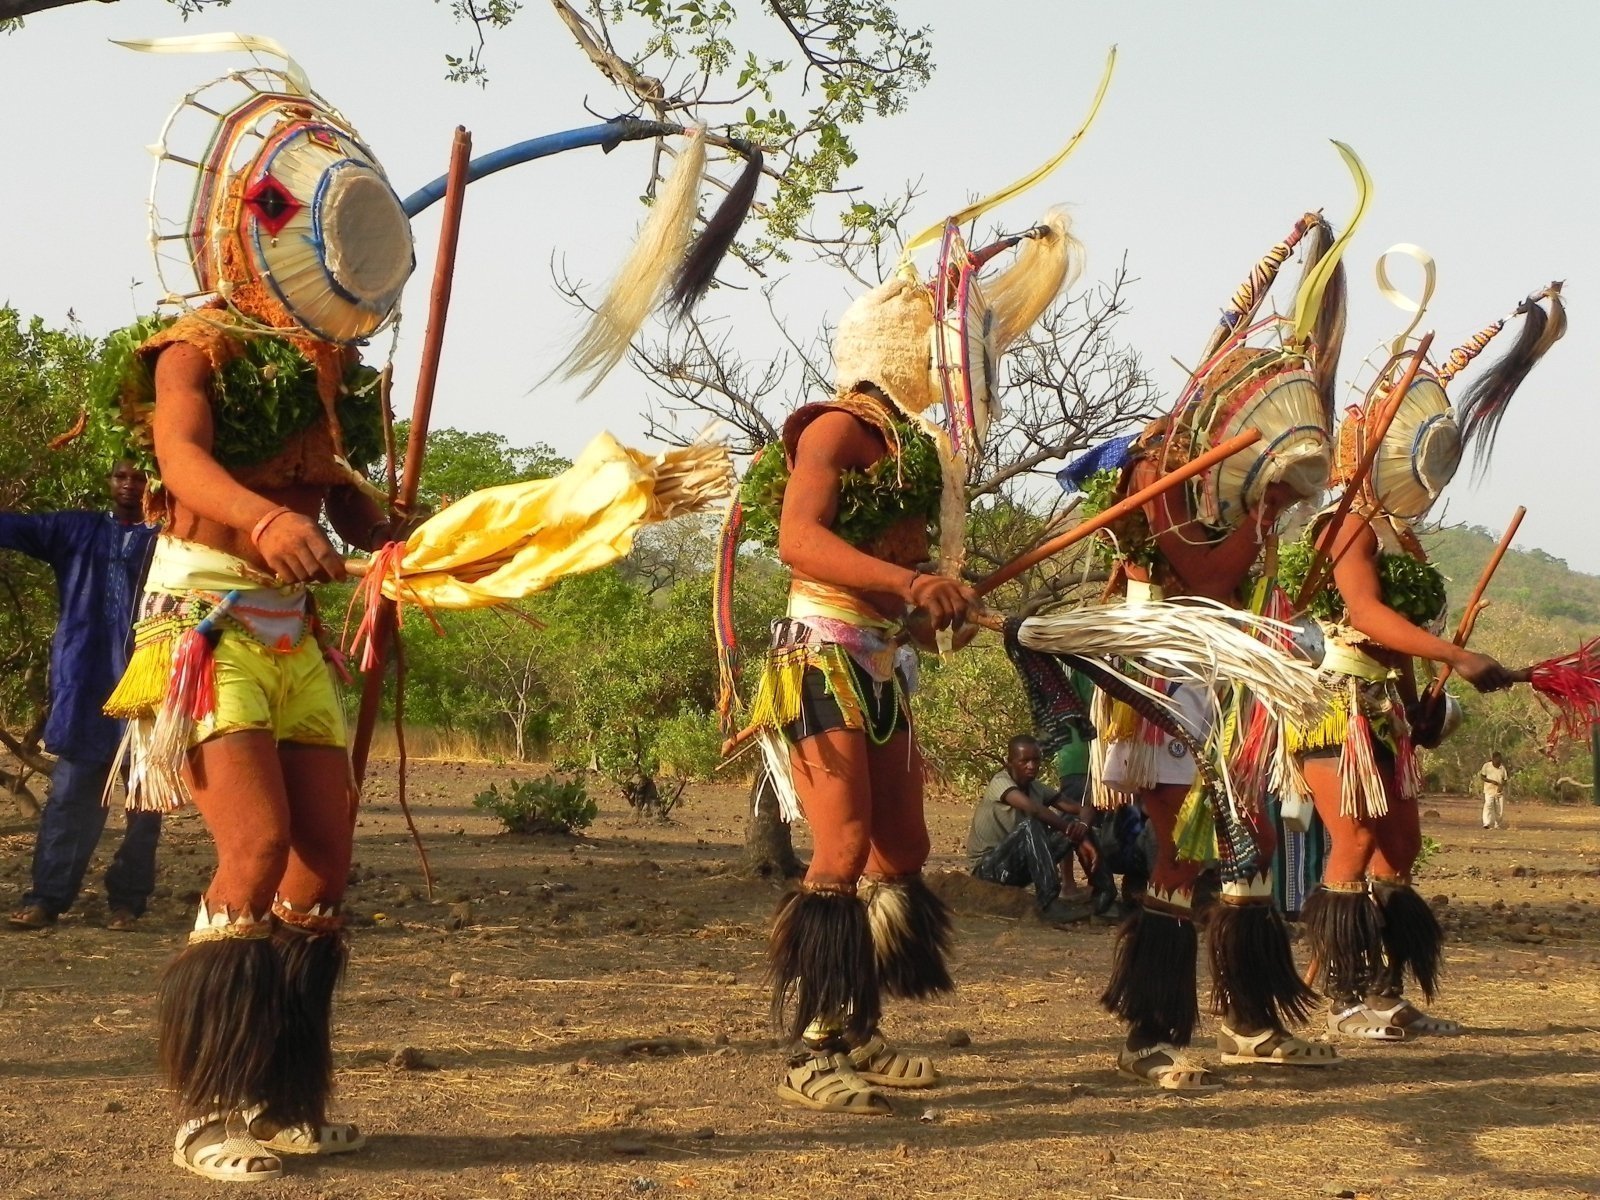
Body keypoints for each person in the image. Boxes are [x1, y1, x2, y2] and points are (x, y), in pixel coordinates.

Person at [720, 194, 1080, 1113]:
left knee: (901, 847)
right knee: (839, 844)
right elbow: (802, 542)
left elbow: (902, 586)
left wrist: (934, 608)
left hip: (878, 664)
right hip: (821, 659)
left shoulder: (918, 456)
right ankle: (809, 1048)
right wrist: (912, 588)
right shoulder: (836, 430)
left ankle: (859, 1032)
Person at [1078, 209, 1354, 1090]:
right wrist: (1264, 514)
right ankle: (1151, 1034)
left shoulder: (1212, 466)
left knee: (1250, 845)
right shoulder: (1157, 465)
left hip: (1216, 676)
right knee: (1185, 852)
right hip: (1160, 674)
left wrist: (1264, 511)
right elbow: (1200, 578)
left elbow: (1232, 586)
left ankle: (1247, 1019)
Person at [1290, 283, 1563, 1043]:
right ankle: (1348, 1002)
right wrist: (1459, 653)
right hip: (1332, 703)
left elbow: (1398, 637)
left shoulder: (1397, 536)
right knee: (1351, 841)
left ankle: (1387, 991)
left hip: (1380, 709)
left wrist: (1420, 705)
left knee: (1400, 846)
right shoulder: (1342, 527)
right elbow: (1370, 618)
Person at [3, 462, 159, 930]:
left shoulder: (168, 540)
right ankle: (47, 899)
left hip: (148, 688)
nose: (130, 485)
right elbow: (16, 526)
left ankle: (127, 903)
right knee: (70, 798)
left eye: (140, 477)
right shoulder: (76, 528)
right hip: (84, 684)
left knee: (144, 803)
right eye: (121, 476)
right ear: (109, 482)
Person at [968, 734, 1099, 923]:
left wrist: (1083, 829)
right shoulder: (1000, 782)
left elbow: (1081, 809)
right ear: (1009, 763)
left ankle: (1104, 895)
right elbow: (1034, 810)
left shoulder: (1036, 787)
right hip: (988, 869)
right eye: (1024, 761)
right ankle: (1049, 902)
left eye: (1036, 760)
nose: (1032, 766)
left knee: (1074, 824)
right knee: (1032, 824)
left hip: (1016, 868)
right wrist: (1072, 831)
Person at [1480, 752, 1508, 829]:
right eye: (1496, 759)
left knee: (1500, 809)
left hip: (1499, 791)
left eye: (1499, 759)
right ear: (1493, 759)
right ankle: (1486, 823)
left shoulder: (1502, 768)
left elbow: (1505, 779)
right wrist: (1491, 781)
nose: (1498, 761)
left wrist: (1501, 786)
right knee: (1488, 805)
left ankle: (1497, 824)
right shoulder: (1487, 766)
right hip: (1489, 790)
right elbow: (1482, 777)